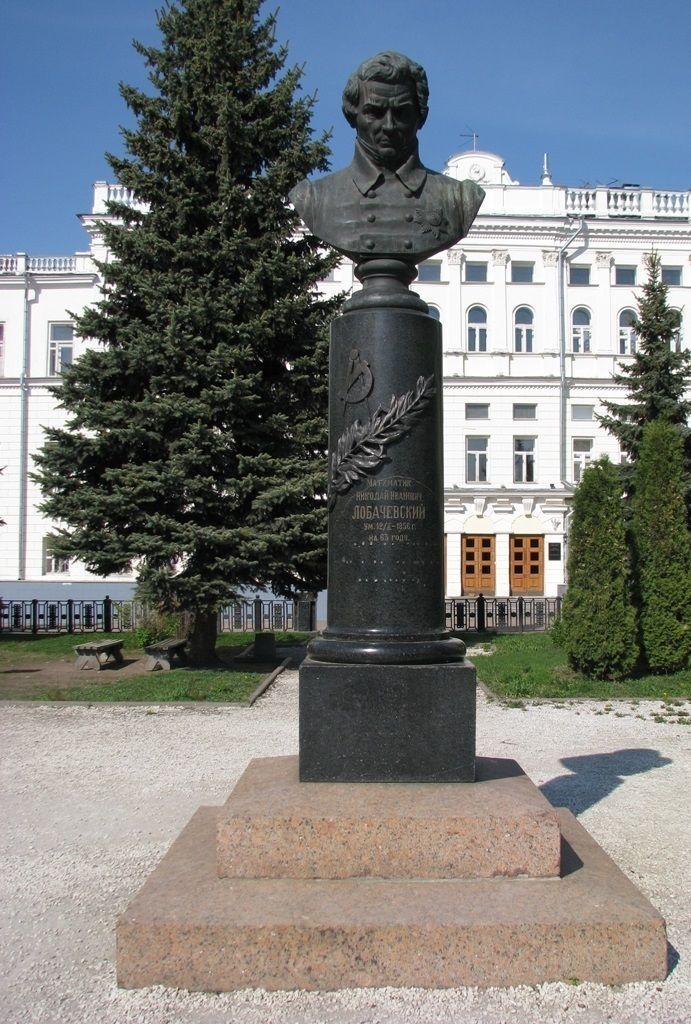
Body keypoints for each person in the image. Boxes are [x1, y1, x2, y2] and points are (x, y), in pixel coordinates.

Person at [290, 51, 484, 264]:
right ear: (351, 115)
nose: (389, 126)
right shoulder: (315, 198)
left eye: (401, 113)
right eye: (375, 112)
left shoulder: (459, 199)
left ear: (421, 116)